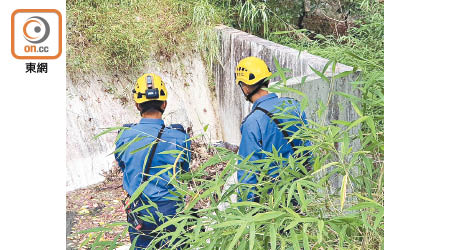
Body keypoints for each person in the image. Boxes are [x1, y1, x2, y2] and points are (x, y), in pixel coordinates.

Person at [114, 73, 191, 249]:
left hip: (139, 209)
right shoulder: (180, 137)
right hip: (171, 209)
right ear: (164, 104)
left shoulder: (124, 136)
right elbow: (184, 172)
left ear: (137, 104)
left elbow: (122, 165)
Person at [235, 56, 312, 201]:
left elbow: (248, 175)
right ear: (268, 80)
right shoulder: (294, 106)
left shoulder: (253, 123)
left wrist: (245, 213)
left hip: (270, 205)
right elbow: (308, 151)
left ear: (245, 89)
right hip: (298, 195)